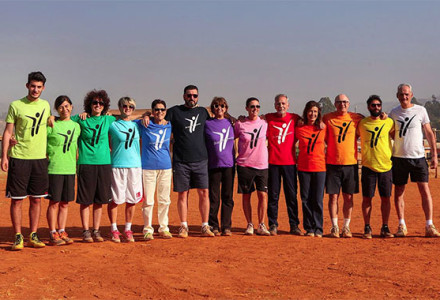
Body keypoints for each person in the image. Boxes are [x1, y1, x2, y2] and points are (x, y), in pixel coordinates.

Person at [2, 71, 50, 250]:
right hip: (19, 157)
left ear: (43, 88)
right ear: (27, 86)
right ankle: (17, 236)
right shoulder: (16, 105)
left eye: (39, 87)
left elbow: (51, 124)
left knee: (37, 199)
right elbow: (8, 132)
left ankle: (33, 234)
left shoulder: (46, 105)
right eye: (33, 86)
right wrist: (4, 155)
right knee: (17, 199)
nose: (35, 89)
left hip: (39, 158)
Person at [389, 83, 440, 237]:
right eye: (401, 94)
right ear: (397, 96)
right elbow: (390, 132)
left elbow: (429, 133)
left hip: (418, 158)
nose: (404, 97)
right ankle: (401, 225)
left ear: (411, 95)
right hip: (399, 158)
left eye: (406, 94)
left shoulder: (421, 110)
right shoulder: (394, 113)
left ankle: (429, 225)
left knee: (424, 190)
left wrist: (434, 155)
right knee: (399, 192)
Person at [166, 85, 214, 238]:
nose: (191, 98)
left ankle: (205, 225)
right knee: (182, 194)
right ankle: (183, 225)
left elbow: (216, 122)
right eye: (189, 95)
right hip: (181, 160)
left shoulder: (203, 112)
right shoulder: (174, 112)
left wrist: (232, 118)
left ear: (198, 97)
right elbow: (158, 119)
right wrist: (147, 115)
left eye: (194, 96)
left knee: (204, 193)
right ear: (183, 96)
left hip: (201, 159)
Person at [72, 90, 115, 242]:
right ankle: (85, 230)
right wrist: (52, 116)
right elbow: (63, 119)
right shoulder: (81, 119)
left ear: (105, 106)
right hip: (86, 162)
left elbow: (126, 116)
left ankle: (96, 230)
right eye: (94, 103)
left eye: (101, 103)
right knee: (85, 200)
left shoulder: (108, 120)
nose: (97, 105)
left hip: (103, 163)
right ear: (89, 105)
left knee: (99, 200)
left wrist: (148, 114)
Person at [323, 94, 363, 238]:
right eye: (339, 102)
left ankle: (346, 227)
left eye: (345, 102)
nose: (342, 104)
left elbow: (372, 119)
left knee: (348, 197)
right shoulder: (327, 118)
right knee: (333, 197)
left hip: (350, 164)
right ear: (335, 104)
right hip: (333, 164)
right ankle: (334, 226)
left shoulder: (356, 118)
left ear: (349, 103)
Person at [357, 95, 394, 239]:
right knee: (367, 198)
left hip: (385, 166)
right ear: (368, 107)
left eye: (378, 105)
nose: (376, 107)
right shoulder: (362, 123)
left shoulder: (389, 122)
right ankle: (367, 227)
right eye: (373, 105)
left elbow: (395, 134)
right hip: (368, 166)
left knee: (386, 198)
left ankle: (385, 226)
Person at [265, 94, 302, 236]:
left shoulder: (295, 118)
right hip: (273, 163)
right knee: (273, 196)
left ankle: (294, 225)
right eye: (278, 103)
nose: (281, 106)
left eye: (283, 103)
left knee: (291, 196)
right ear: (275, 105)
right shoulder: (268, 118)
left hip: (290, 163)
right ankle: (273, 224)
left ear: (288, 105)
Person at [46, 95, 80, 246]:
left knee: (65, 203)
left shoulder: (76, 126)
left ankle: (62, 230)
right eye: (61, 107)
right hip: (54, 168)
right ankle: (53, 232)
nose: (64, 109)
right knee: (54, 202)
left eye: (67, 106)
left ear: (71, 107)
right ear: (56, 109)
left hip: (70, 169)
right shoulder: (51, 124)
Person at [108, 97, 142, 243]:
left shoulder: (137, 125)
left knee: (132, 199)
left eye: (131, 106)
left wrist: (146, 115)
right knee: (115, 199)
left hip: (135, 165)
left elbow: (148, 116)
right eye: (124, 106)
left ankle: (127, 228)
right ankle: (114, 228)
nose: (127, 108)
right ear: (120, 107)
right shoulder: (112, 124)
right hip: (117, 165)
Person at [138, 99, 173, 240]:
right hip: (148, 167)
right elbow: (128, 121)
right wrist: (144, 116)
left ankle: (163, 228)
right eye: (157, 110)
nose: (160, 112)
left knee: (165, 199)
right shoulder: (145, 124)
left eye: (162, 110)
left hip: (165, 167)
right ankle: (148, 229)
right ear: (152, 111)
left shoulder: (169, 125)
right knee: (148, 200)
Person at [235, 97, 270, 236]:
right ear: (246, 108)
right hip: (245, 164)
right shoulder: (240, 124)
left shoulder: (265, 123)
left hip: (261, 164)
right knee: (246, 195)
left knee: (262, 194)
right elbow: (232, 137)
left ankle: (261, 224)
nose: (255, 109)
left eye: (257, 106)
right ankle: (249, 224)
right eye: (252, 106)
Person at [205, 97, 235, 236]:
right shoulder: (207, 124)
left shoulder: (231, 123)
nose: (219, 108)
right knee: (214, 197)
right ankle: (214, 225)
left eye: (222, 105)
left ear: (226, 108)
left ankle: (226, 226)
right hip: (213, 165)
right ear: (212, 108)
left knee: (227, 197)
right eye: (216, 106)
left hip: (229, 164)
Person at [296, 101, 326, 237]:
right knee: (305, 199)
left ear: (318, 113)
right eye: (310, 111)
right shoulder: (299, 128)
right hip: (303, 168)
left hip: (319, 167)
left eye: (315, 111)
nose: (312, 114)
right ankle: (309, 227)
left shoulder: (323, 128)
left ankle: (318, 228)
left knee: (318, 199)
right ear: (306, 112)